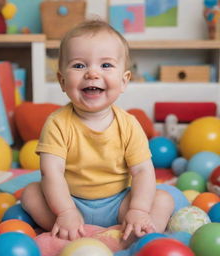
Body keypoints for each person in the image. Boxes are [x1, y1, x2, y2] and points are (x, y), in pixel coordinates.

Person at [21, 19, 175, 241]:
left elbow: (142, 171)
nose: (92, 73)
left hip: (119, 203)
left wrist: (138, 210)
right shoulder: (57, 123)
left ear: (124, 81)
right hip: (68, 202)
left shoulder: (129, 124)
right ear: (62, 81)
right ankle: (75, 232)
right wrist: (66, 212)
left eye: (105, 65)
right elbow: (51, 172)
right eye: (79, 65)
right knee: (31, 194)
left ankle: (138, 234)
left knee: (162, 200)